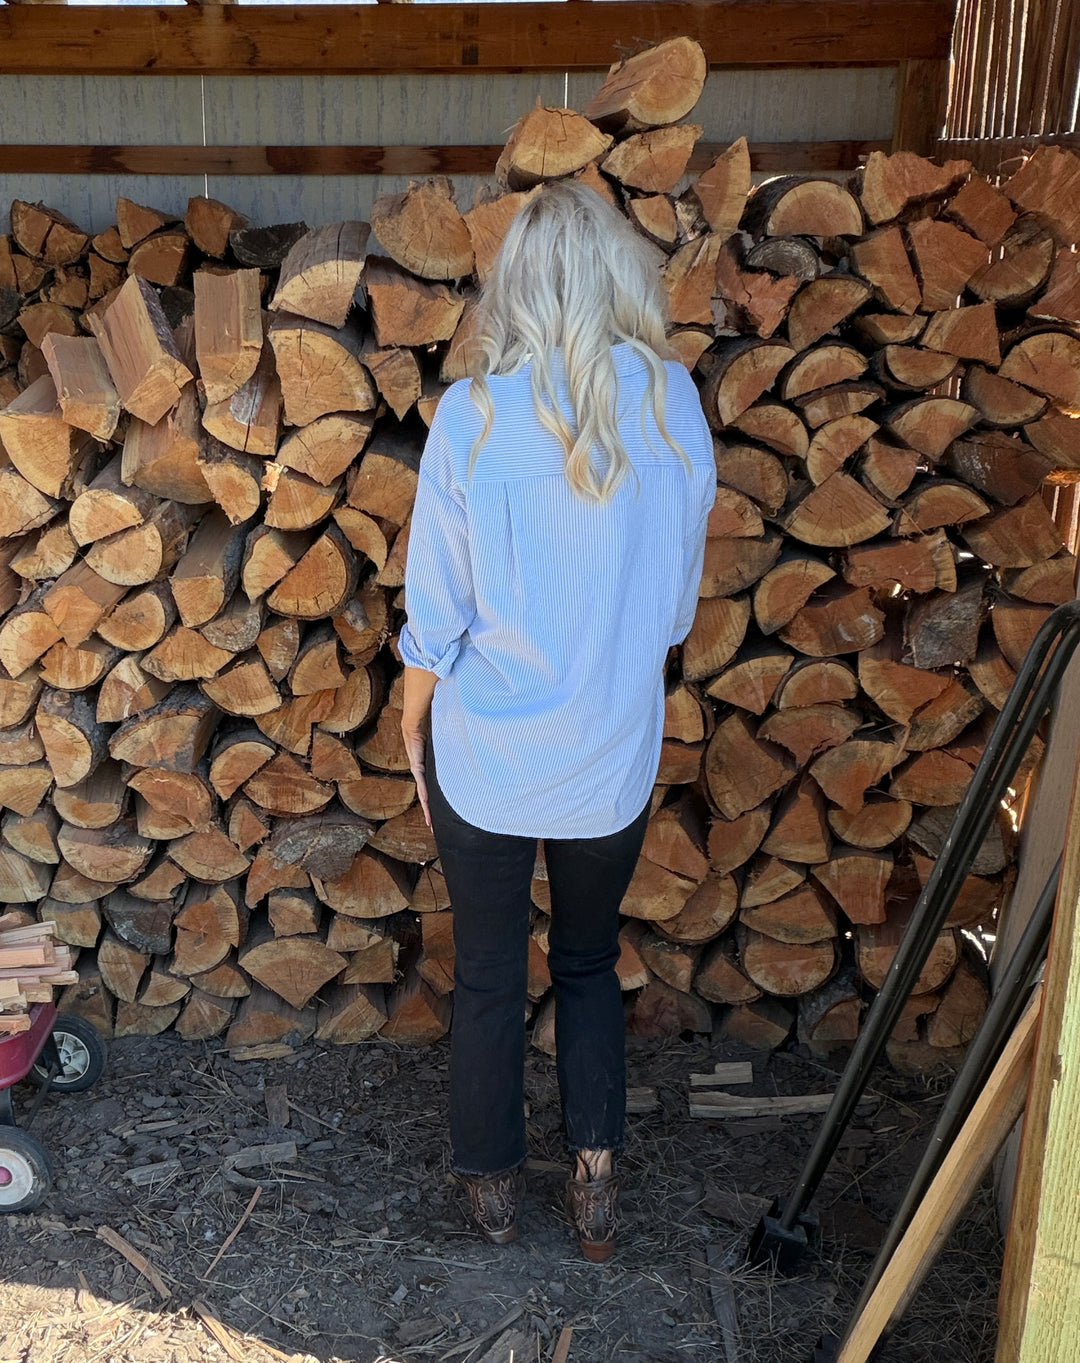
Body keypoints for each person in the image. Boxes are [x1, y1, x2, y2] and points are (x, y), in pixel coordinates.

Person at [397, 178, 716, 1262]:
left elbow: (434, 617)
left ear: (516, 287)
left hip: (486, 752)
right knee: (585, 959)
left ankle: (489, 1191)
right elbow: (674, 611)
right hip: (610, 756)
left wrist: (410, 726)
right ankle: (595, 1182)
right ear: (620, 275)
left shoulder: (472, 417)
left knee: (488, 968)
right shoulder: (674, 402)